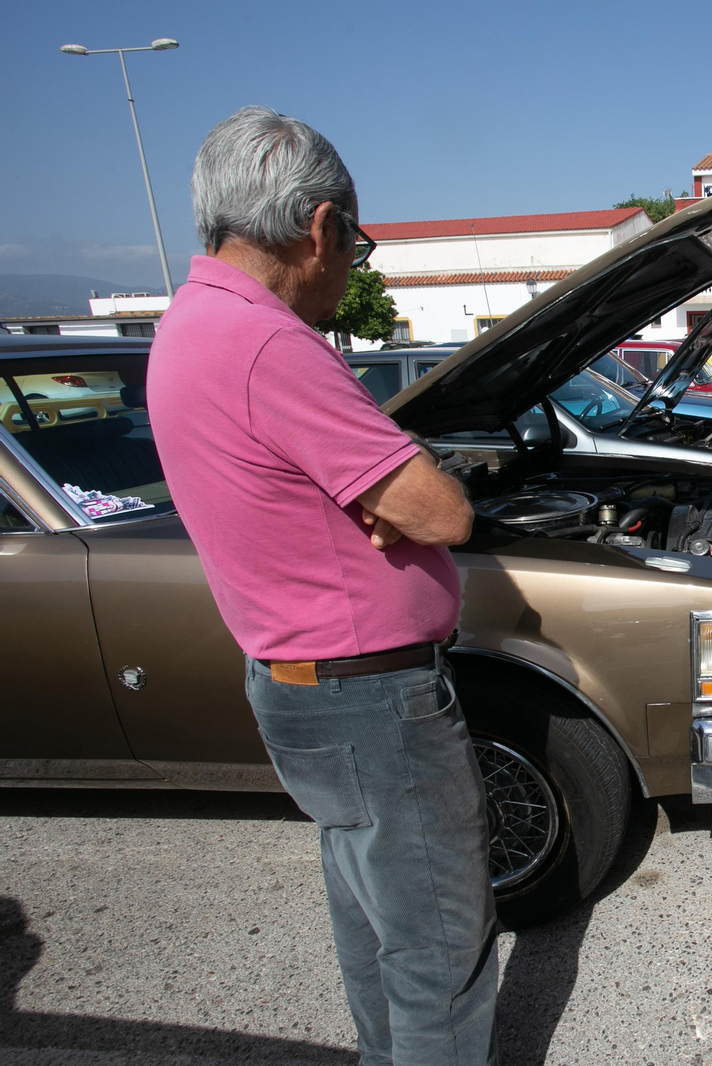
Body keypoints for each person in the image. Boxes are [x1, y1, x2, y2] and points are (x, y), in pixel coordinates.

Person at [146, 107, 498, 1065]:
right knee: (439, 951)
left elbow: (373, 497)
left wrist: (376, 491)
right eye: (357, 242)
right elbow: (443, 515)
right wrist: (400, 486)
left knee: (376, 932)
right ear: (320, 226)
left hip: (302, 688)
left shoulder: (190, 325)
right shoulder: (269, 345)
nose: (354, 265)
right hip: (372, 701)